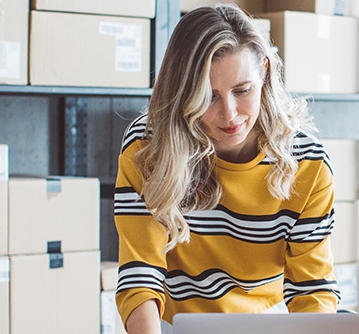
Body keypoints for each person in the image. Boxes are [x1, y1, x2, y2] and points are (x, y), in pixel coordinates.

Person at [113, 4, 340, 333]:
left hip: (268, 324)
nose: (230, 115)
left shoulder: (307, 162)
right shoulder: (148, 147)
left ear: (264, 72)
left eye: (242, 91)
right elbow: (140, 275)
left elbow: (312, 289)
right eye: (208, 96)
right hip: (171, 326)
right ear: (182, 93)